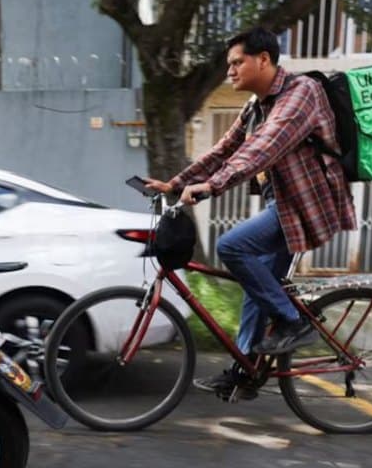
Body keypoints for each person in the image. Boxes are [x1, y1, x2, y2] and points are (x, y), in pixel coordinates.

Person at [144, 28, 357, 399]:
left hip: (307, 206)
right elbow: (224, 150)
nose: (230, 71)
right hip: (283, 205)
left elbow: (261, 149)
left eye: (236, 62)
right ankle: (244, 373)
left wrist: (212, 186)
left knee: (232, 246)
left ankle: (293, 323)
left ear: (263, 59)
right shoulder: (257, 106)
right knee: (257, 289)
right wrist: (175, 184)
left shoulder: (301, 93)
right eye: (229, 64)